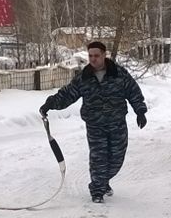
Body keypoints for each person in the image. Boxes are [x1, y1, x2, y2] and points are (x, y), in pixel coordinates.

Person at [40, 42, 147, 203]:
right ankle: (97, 190)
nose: (93, 59)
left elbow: (133, 91)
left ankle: (103, 181)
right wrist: (50, 104)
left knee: (116, 159)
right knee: (98, 159)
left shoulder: (118, 73)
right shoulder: (84, 77)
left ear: (104, 55)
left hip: (117, 124)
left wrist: (140, 111)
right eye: (90, 56)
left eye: (96, 55)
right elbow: (68, 94)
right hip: (95, 125)